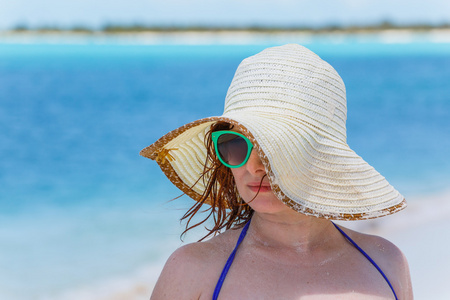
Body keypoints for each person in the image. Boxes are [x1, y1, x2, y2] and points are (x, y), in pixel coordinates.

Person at [141, 44, 413, 299]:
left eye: (275, 146)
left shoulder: (386, 263)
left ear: (322, 154)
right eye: (235, 145)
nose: (253, 166)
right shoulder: (194, 270)